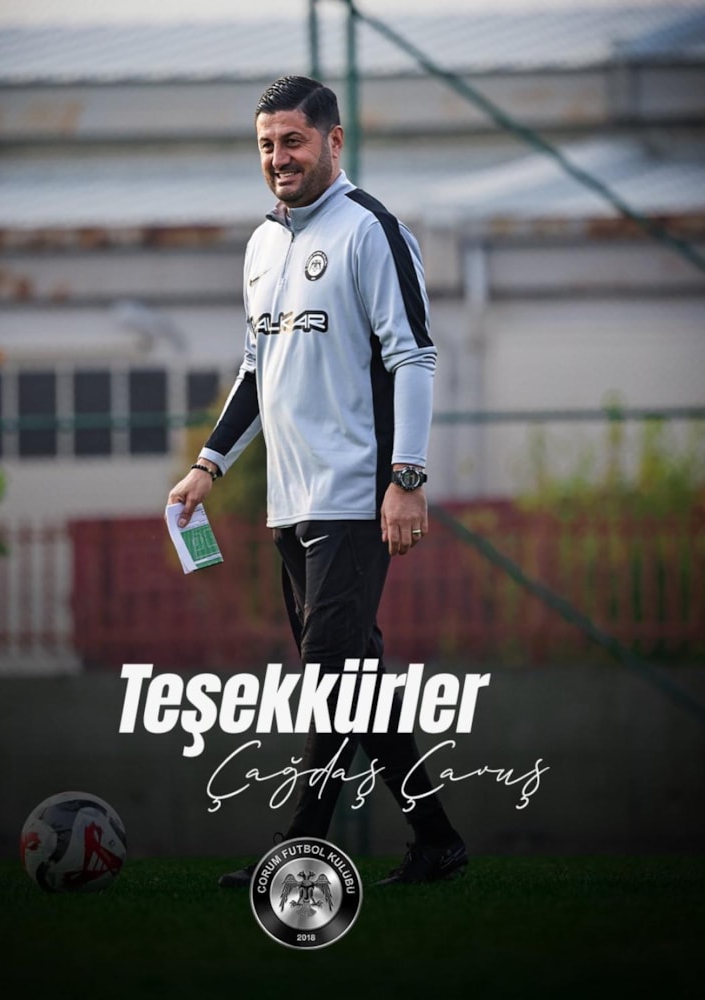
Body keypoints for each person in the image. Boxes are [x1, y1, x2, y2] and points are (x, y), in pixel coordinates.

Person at [167, 75, 467, 887]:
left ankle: (298, 853)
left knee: (330, 681)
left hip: (355, 497)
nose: (279, 158)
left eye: (294, 141)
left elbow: (414, 356)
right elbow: (256, 369)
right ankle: (437, 841)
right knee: (355, 682)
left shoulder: (372, 230)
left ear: (334, 141)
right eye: (267, 144)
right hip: (290, 504)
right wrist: (207, 465)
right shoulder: (262, 245)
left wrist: (406, 477)